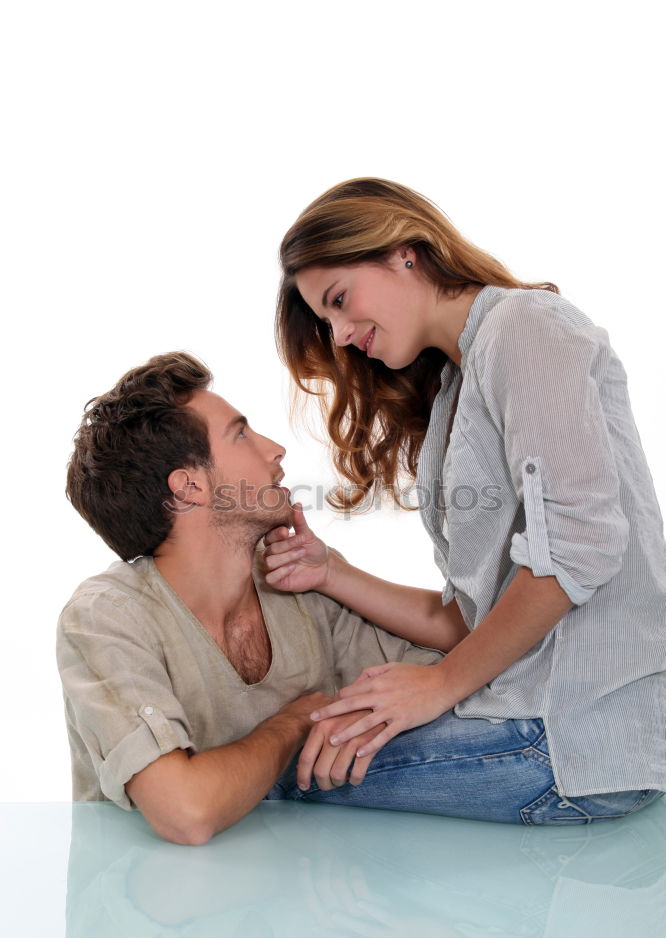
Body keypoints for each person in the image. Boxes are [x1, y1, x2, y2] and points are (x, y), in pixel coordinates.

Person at [263, 176, 666, 824]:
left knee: (266, 766)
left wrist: (440, 685)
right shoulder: (457, 383)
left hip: (572, 741)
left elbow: (580, 548)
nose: (338, 334)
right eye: (325, 318)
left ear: (403, 250)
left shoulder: (524, 326)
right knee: (287, 741)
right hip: (533, 716)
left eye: (339, 300)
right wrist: (331, 572)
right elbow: (472, 621)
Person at [58, 350, 462, 845]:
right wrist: (297, 719)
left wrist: (338, 580)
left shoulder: (292, 579)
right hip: (156, 906)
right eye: (241, 434)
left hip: (284, 894)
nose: (275, 450)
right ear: (189, 487)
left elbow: (470, 659)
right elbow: (186, 812)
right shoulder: (105, 618)